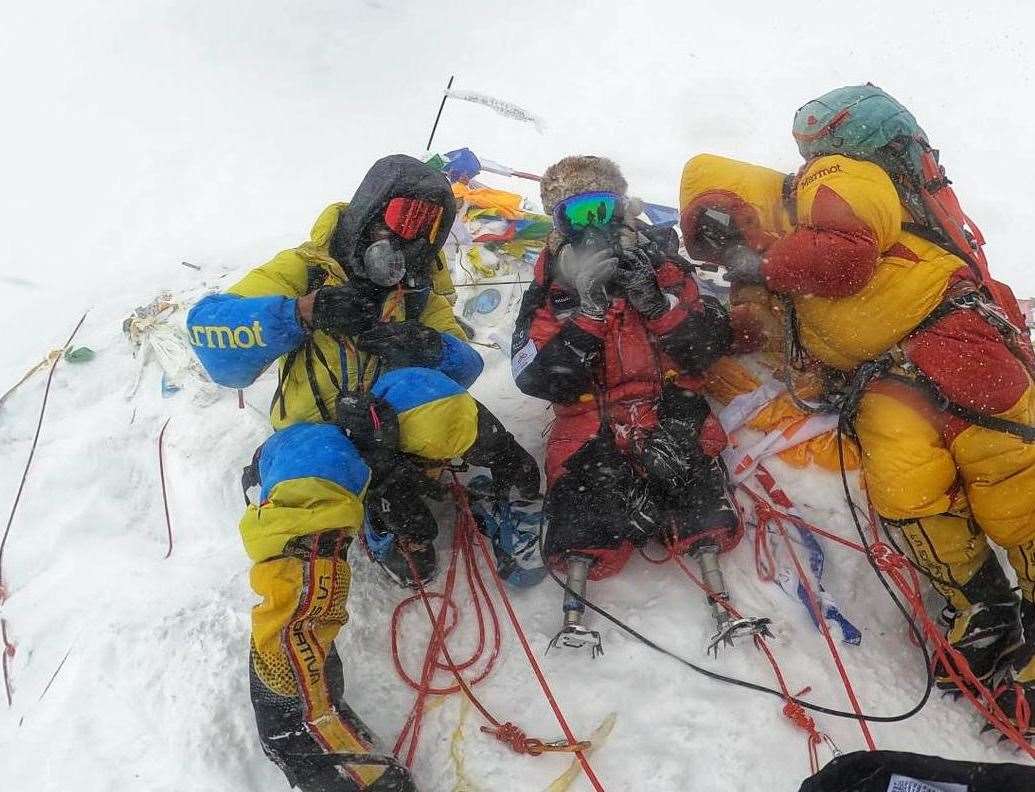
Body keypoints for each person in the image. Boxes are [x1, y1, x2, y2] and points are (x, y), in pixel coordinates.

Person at [679, 84, 1035, 733]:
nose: (715, 248)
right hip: (887, 378)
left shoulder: (833, 176)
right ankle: (981, 611)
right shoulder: (778, 254)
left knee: (1012, 483)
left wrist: (754, 257)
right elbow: (761, 328)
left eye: (712, 229)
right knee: (910, 497)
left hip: (948, 337)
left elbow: (843, 260)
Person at [187, 154, 540, 792]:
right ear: (369, 209)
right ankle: (298, 703)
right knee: (316, 467)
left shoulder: (417, 287)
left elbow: (459, 359)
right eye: (405, 217)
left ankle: (492, 485)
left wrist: (422, 345)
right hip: (314, 440)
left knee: (433, 398)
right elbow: (212, 339)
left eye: (433, 228)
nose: (412, 239)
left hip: (386, 435)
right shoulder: (306, 264)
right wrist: (301, 312)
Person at [510, 155, 736, 649]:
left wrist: (658, 308)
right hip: (590, 421)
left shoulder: (662, 266)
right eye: (579, 214)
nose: (595, 226)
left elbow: (711, 345)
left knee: (702, 512)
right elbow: (536, 376)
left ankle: (704, 565)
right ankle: (578, 604)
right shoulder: (551, 289)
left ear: (623, 207)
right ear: (559, 222)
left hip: (669, 405)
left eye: (603, 209)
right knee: (585, 529)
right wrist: (588, 314)